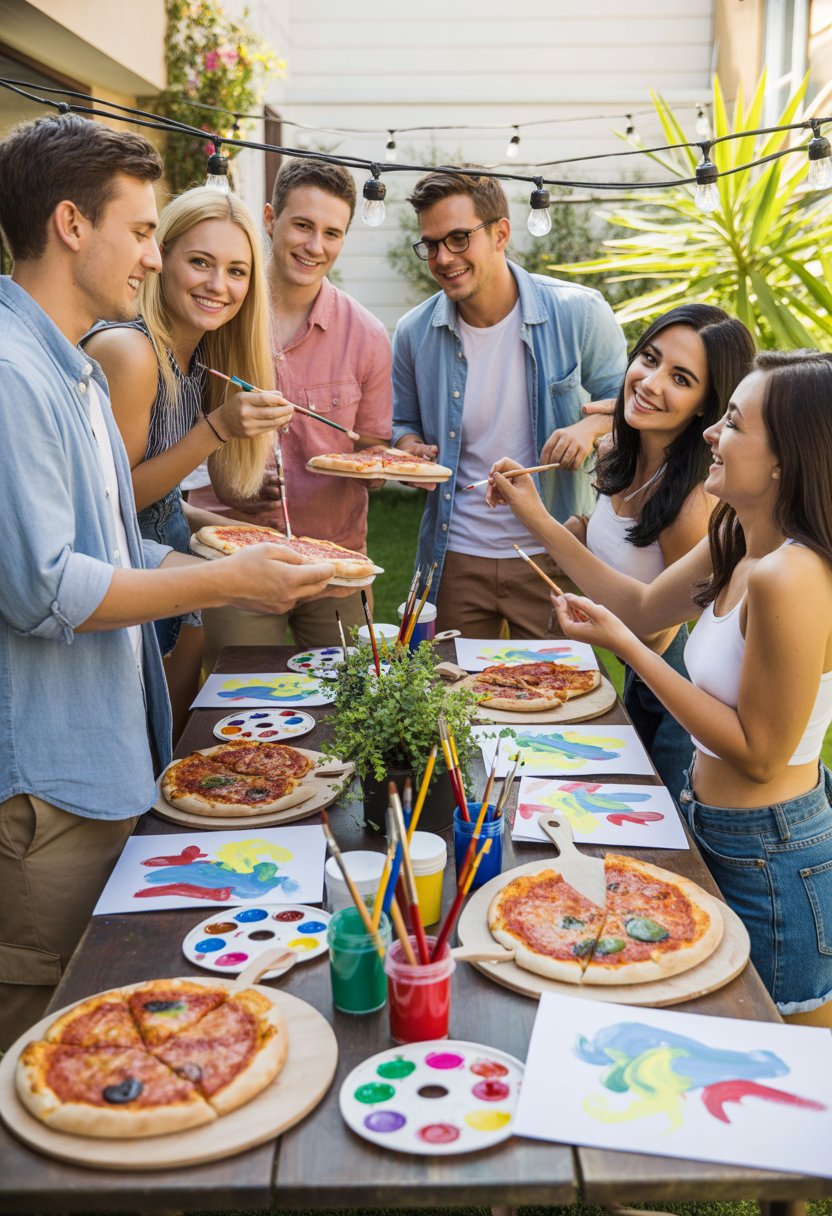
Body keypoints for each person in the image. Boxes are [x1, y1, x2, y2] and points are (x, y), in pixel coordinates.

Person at [0, 114, 335, 1049]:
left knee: (95, 1027)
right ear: (73, 225)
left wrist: (236, 565)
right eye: (144, 231)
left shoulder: (64, 366)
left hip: (100, 759)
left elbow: (117, 538)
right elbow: (51, 588)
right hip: (49, 782)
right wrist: (216, 584)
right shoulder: (16, 371)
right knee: (43, 1043)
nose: (151, 260)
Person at [488, 350, 832, 1020]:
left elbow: (759, 752)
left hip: (772, 852)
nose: (709, 433)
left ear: (785, 459)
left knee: (787, 1061)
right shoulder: (737, 530)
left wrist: (625, 650)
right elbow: (643, 608)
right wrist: (536, 520)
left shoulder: (790, 576)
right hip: (709, 822)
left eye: (732, 423)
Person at [84, 187, 290, 740]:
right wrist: (218, 428)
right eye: (200, 262)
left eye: (237, 271)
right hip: (129, 602)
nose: (218, 285)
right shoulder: (131, 352)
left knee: (175, 761)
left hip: (175, 591)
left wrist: (239, 535)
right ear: (161, 257)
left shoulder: (195, 359)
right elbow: (115, 504)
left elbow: (164, 503)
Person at [391, 166, 627, 638]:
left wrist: (590, 429)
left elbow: (631, 410)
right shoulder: (412, 333)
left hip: (554, 549)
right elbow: (403, 424)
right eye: (431, 244)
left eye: (459, 238)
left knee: (556, 696)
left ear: (500, 233)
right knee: (448, 701)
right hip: (453, 556)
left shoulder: (579, 312)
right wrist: (410, 449)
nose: (442, 257)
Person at [191, 158, 393, 665]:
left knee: (346, 712)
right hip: (233, 553)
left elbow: (373, 452)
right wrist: (232, 477)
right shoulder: (214, 317)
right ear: (268, 218)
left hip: (335, 563)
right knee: (235, 706)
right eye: (302, 225)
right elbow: (172, 438)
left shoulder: (367, 336)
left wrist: (382, 465)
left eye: (332, 233)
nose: (315, 246)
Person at [567, 304, 755, 801]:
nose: (649, 383)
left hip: (679, 693)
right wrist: (582, 528)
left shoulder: (694, 501)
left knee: (660, 841)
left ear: (704, 406)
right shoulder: (618, 453)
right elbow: (624, 545)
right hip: (636, 679)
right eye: (649, 358)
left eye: (680, 377)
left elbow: (653, 625)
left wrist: (543, 527)